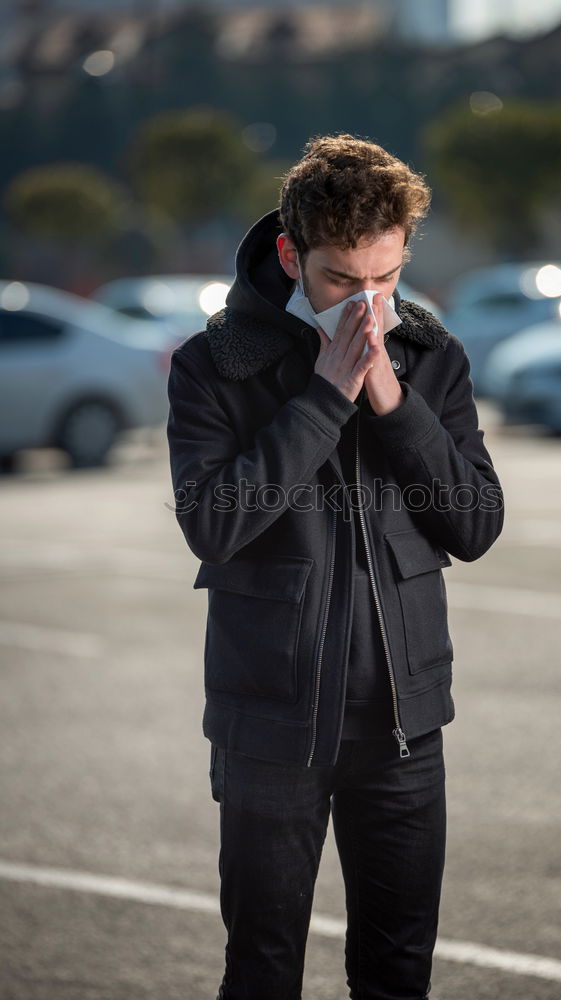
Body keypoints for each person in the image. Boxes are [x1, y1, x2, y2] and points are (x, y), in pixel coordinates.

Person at [166, 133, 504, 1000]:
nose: (366, 306)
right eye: (341, 282)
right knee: (264, 970)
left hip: (402, 729)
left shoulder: (432, 361)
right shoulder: (216, 365)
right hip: (270, 729)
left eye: (385, 280)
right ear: (290, 254)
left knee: (396, 972)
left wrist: (391, 402)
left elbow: (471, 525)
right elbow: (213, 524)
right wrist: (323, 395)